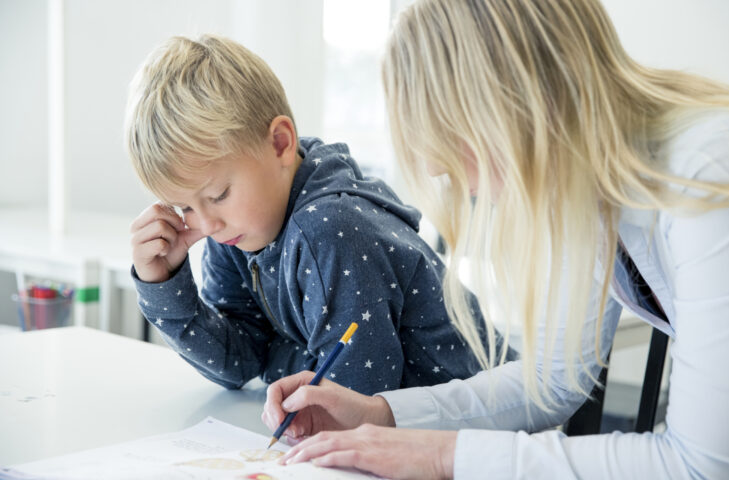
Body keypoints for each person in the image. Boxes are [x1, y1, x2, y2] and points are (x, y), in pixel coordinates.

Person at [261, 0, 729, 478]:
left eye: (451, 141)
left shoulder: (716, 170)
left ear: (517, 102)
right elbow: (553, 382)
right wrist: (382, 414)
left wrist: (444, 457)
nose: (450, 174)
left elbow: (703, 467)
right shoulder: (582, 186)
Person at [124, 34, 513, 396]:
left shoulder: (331, 229)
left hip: (490, 425)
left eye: (220, 194)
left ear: (280, 143)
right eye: (187, 207)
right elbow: (239, 362)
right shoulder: (237, 231)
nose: (207, 224)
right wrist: (163, 285)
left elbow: (354, 396)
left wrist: (279, 356)